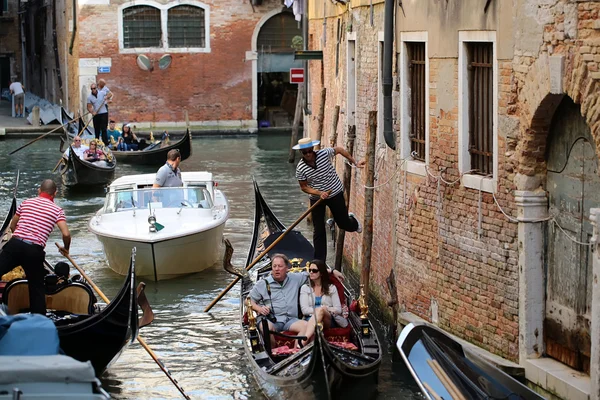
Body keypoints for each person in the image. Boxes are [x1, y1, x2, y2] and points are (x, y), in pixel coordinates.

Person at [0, 179, 71, 314]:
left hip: (15, 245)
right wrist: (66, 248)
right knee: (37, 288)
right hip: (34, 251)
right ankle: (39, 322)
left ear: (39, 190)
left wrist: (20, 240)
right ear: (54, 194)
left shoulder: (26, 202)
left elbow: (13, 225)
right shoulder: (57, 210)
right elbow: (66, 234)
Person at [249, 254, 345, 347]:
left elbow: (316, 271)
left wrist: (332, 271)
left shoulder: (295, 278)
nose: (276, 269)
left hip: (290, 320)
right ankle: (272, 354)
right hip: (271, 319)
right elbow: (248, 300)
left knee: (307, 326)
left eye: (280, 266)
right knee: (266, 328)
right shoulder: (262, 283)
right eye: (274, 266)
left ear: (287, 268)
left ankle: (297, 352)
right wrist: (259, 309)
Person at [294, 137, 365, 261]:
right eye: (305, 153)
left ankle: (352, 221)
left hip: (335, 192)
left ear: (313, 149)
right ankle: (319, 261)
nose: (308, 154)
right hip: (317, 198)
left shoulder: (324, 153)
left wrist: (355, 162)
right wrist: (318, 192)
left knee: (343, 223)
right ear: (302, 153)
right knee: (318, 230)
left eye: (310, 151)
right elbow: (304, 187)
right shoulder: (301, 168)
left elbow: (339, 150)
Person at [300, 259, 348, 345]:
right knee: (319, 317)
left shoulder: (331, 288)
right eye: (309, 270)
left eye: (314, 271)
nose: (311, 272)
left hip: (328, 320)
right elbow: (304, 310)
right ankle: (312, 345)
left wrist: (325, 309)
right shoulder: (305, 288)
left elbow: (338, 309)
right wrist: (320, 310)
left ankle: (303, 341)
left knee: (321, 311)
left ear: (321, 273)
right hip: (310, 319)